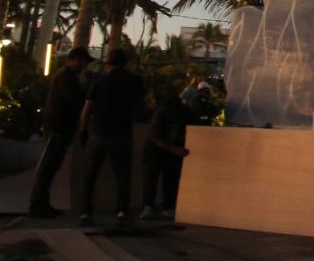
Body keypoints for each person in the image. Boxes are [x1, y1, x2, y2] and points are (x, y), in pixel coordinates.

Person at [77, 47, 145, 227]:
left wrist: (83, 131)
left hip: (99, 133)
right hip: (123, 133)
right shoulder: (134, 81)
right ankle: (122, 210)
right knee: (122, 175)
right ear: (125, 63)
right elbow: (141, 106)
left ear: (108, 63)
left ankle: (85, 211)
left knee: (91, 174)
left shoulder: (100, 81)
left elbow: (87, 108)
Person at [28, 47, 91, 218]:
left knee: (51, 167)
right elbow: (72, 99)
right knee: (48, 166)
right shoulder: (66, 77)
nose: (84, 66)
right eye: (83, 62)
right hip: (57, 129)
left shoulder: (67, 76)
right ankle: (38, 203)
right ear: (75, 59)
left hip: (59, 129)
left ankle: (41, 202)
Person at [138, 89, 195, 220]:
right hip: (155, 150)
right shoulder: (160, 114)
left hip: (172, 150)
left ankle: (167, 207)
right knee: (151, 178)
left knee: (170, 180)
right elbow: (155, 137)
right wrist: (175, 149)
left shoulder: (183, 112)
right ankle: (149, 206)